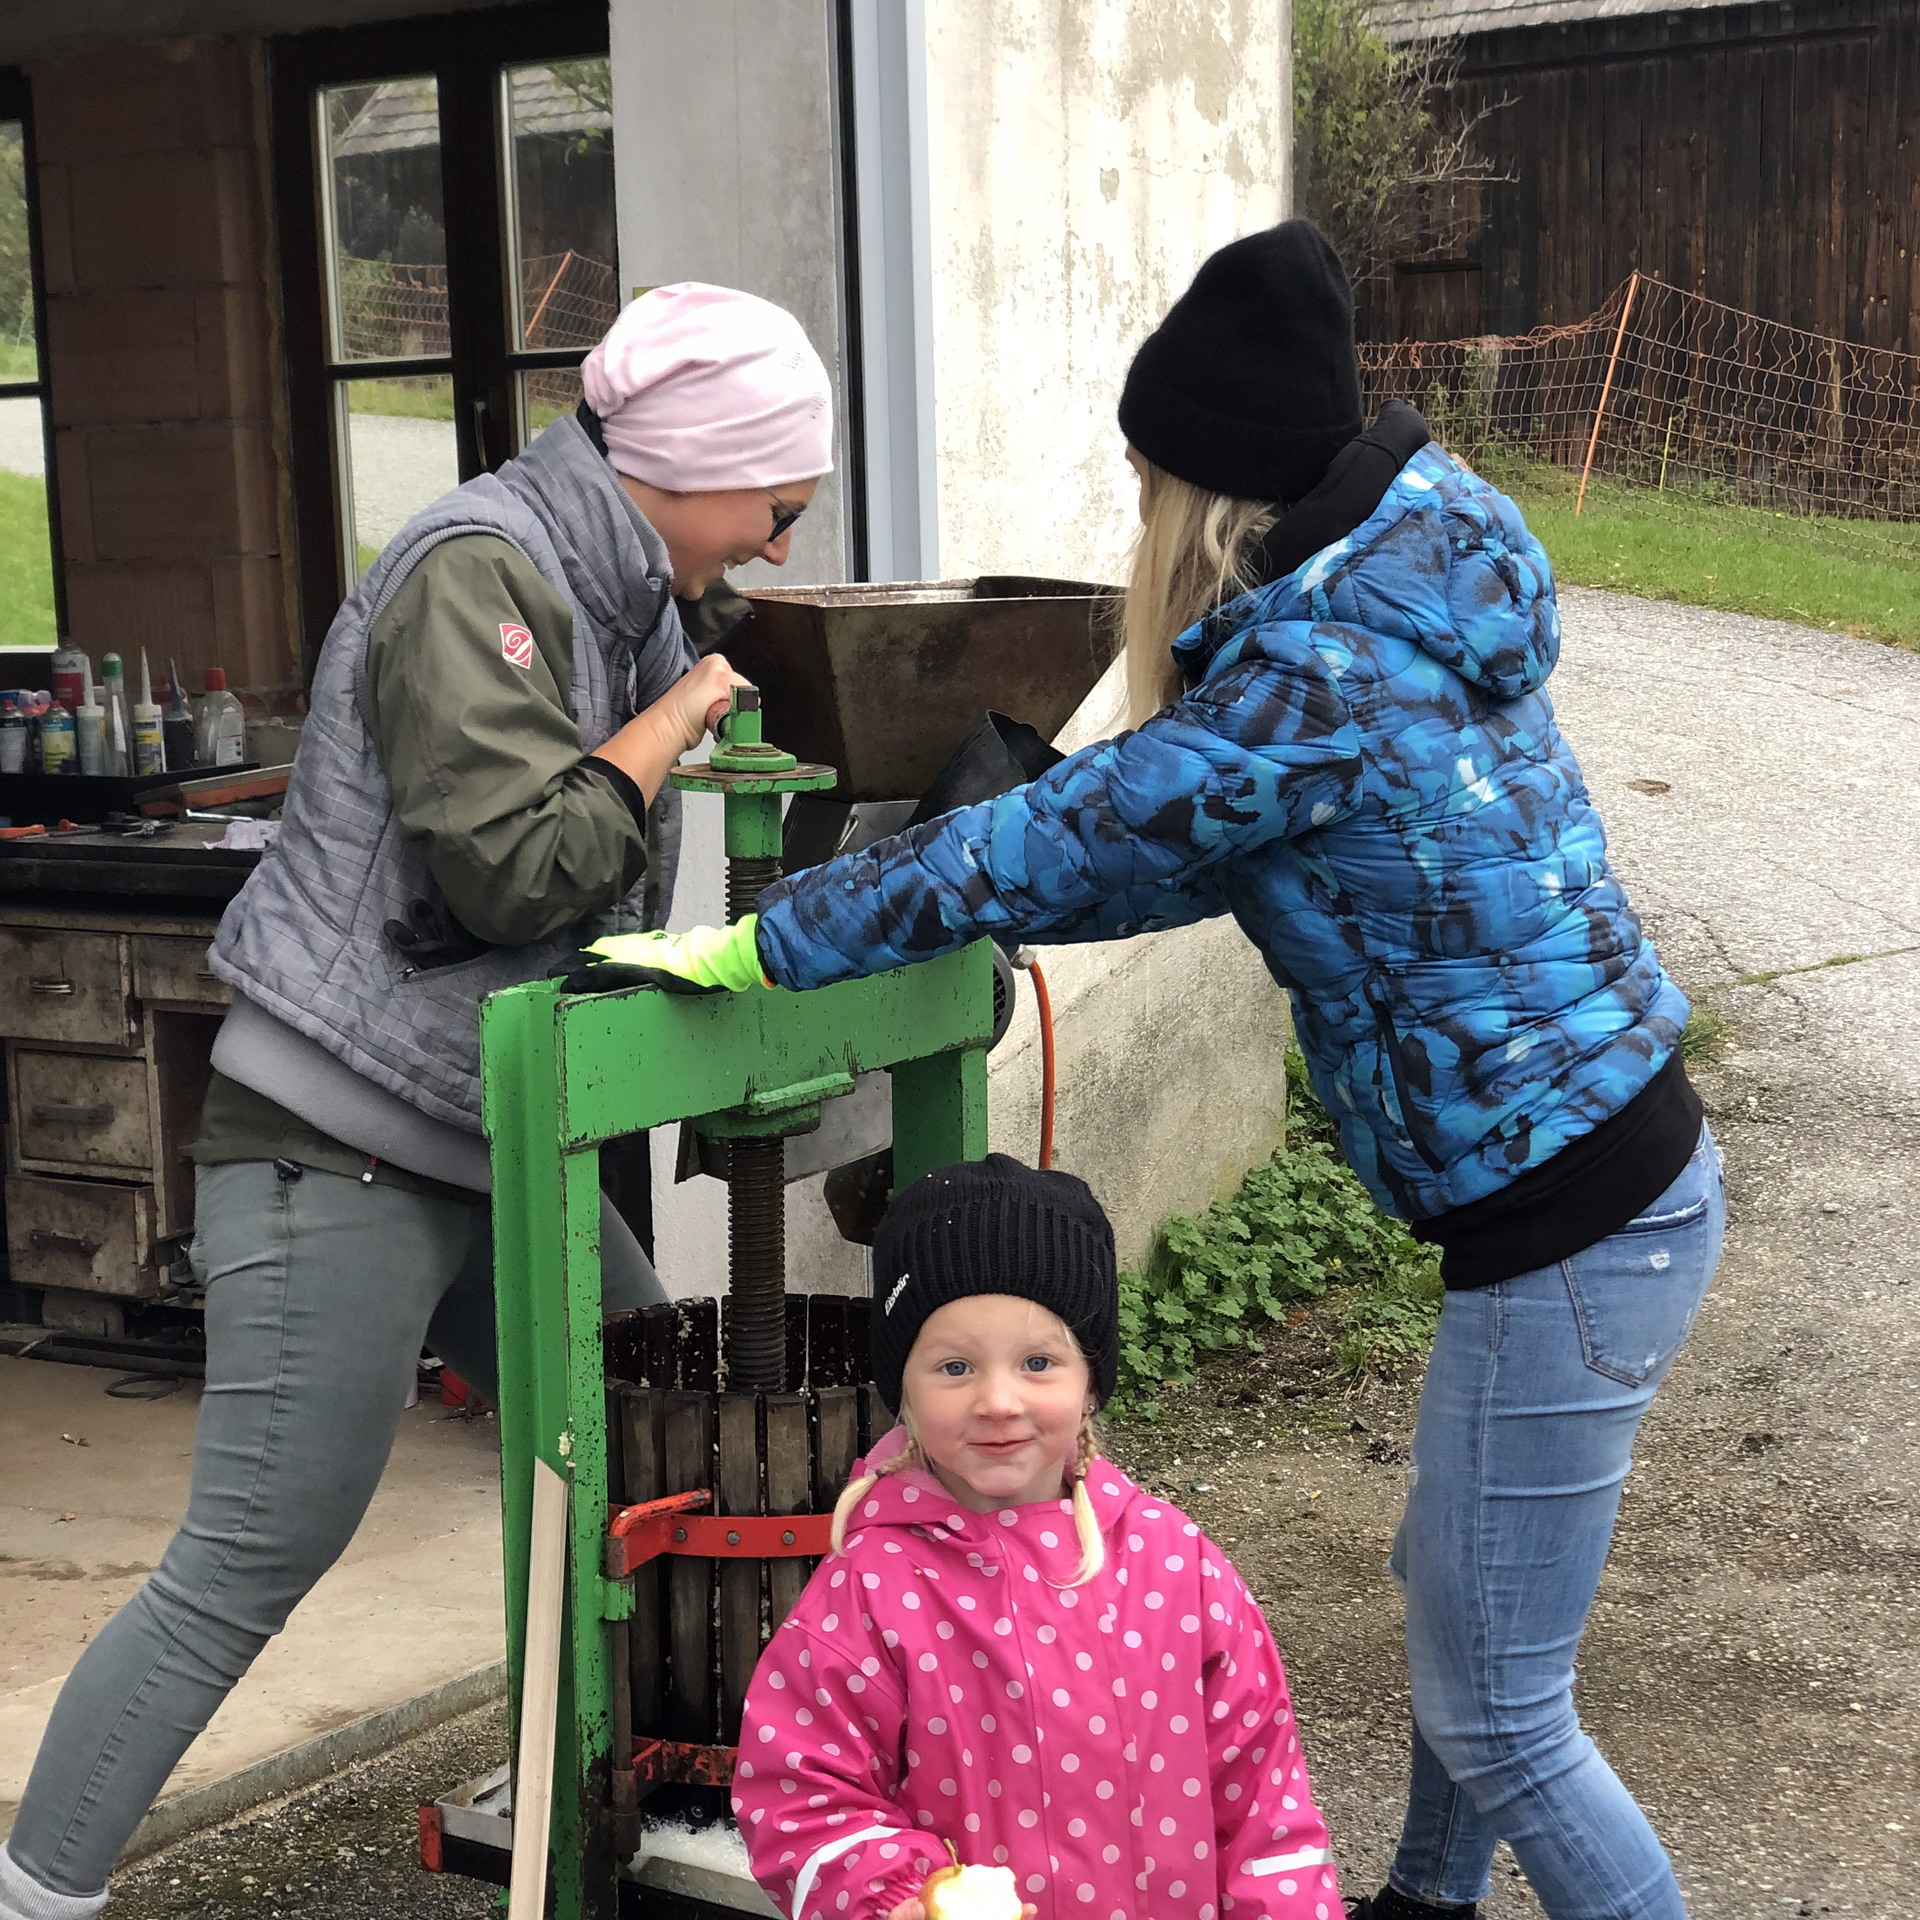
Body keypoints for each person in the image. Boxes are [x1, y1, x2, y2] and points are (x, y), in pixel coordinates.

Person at [577, 224, 1725, 1920]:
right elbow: (1169, 850)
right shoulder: (1396, 592)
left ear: (1211, 489)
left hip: (1575, 1228)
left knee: (1504, 1705)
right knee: (1452, 1600)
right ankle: (1421, 1903)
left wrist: (772, 940)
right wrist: (996, 870)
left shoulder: (1320, 676)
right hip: (1590, 1195)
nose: (1137, 514)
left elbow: (1086, 828)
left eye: (1144, 478)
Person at [0, 283, 831, 1920]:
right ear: (683, 463)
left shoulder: (618, 585)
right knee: (253, 1556)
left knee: (637, 1457)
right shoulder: (476, 575)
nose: (782, 549)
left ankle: (580, 1769)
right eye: (777, 508)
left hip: (489, 1132)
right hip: (340, 1146)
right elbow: (521, 867)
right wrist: (676, 717)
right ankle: (35, 1889)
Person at [734, 1155, 1341, 1920]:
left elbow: (1267, 1812)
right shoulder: (873, 1588)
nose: (997, 1400)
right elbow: (800, 1793)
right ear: (904, 1388)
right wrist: (897, 1894)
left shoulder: (1178, 1567)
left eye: (1038, 1362)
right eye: (954, 1366)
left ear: (1091, 1380)